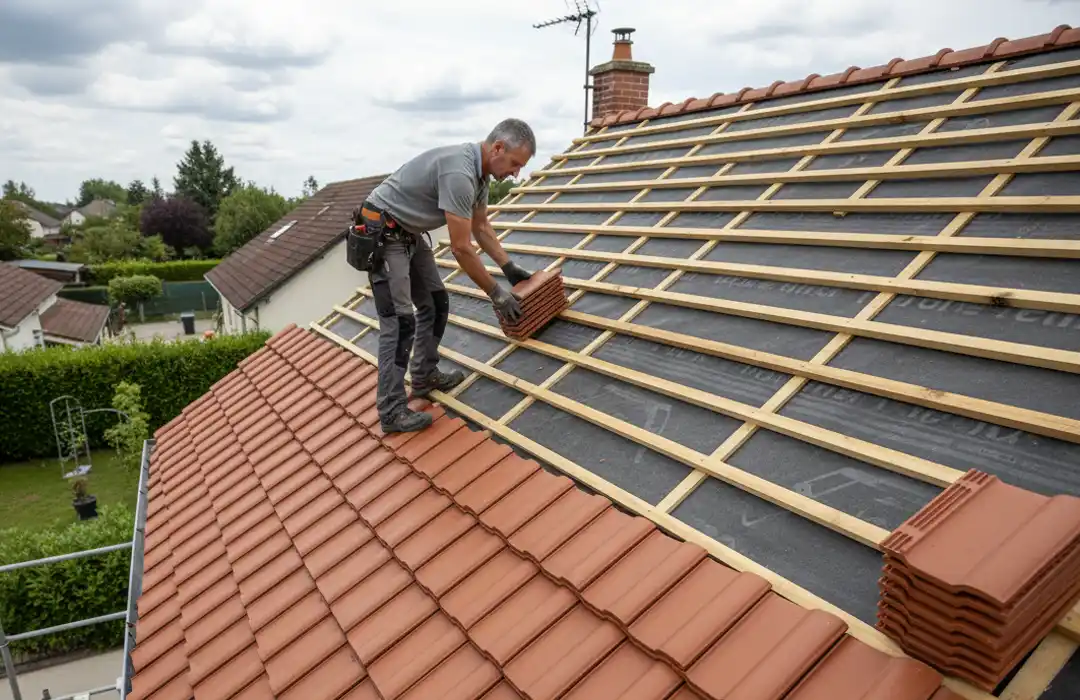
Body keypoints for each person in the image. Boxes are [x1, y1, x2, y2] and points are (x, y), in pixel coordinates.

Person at [356, 118, 537, 434]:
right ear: (497, 148)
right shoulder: (460, 174)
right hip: (383, 234)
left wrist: (509, 268)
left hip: (407, 232)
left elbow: (480, 226)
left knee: (436, 303)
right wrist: (496, 292)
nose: (515, 173)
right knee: (400, 322)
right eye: (515, 164)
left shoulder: (480, 176)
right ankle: (391, 410)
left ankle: (425, 375)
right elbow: (461, 248)